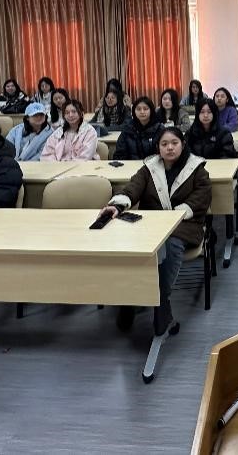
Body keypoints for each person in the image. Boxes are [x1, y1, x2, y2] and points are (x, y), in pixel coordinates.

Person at [98, 126, 212, 335]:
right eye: (164, 144)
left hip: (184, 225)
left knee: (170, 244)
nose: (170, 148)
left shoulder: (197, 168)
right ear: (158, 147)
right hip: (151, 225)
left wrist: (174, 216)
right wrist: (118, 204)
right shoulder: (149, 168)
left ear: (183, 144)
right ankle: (132, 298)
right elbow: (133, 188)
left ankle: (159, 300)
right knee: (130, 245)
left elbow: (201, 199)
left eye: (174, 143)